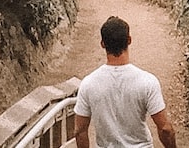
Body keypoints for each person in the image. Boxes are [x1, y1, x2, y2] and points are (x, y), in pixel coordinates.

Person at [72, 16, 177, 148]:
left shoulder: (88, 83)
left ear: (103, 44)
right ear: (129, 40)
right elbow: (165, 129)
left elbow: (80, 131)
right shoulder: (147, 81)